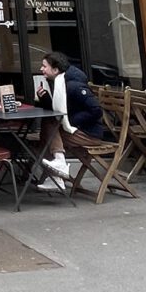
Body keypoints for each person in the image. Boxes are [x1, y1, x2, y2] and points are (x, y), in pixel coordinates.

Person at [33, 51, 105, 191]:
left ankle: (58, 167)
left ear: (55, 69)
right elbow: (62, 109)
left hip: (90, 134)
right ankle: (57, 173)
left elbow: (96, 110)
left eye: (44, 66)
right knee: (49, 125)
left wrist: (71, 121)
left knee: (49, 130)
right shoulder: (60, 83)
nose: (41, 69)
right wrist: (46, 99)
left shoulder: (74, 86)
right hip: (76, 130)